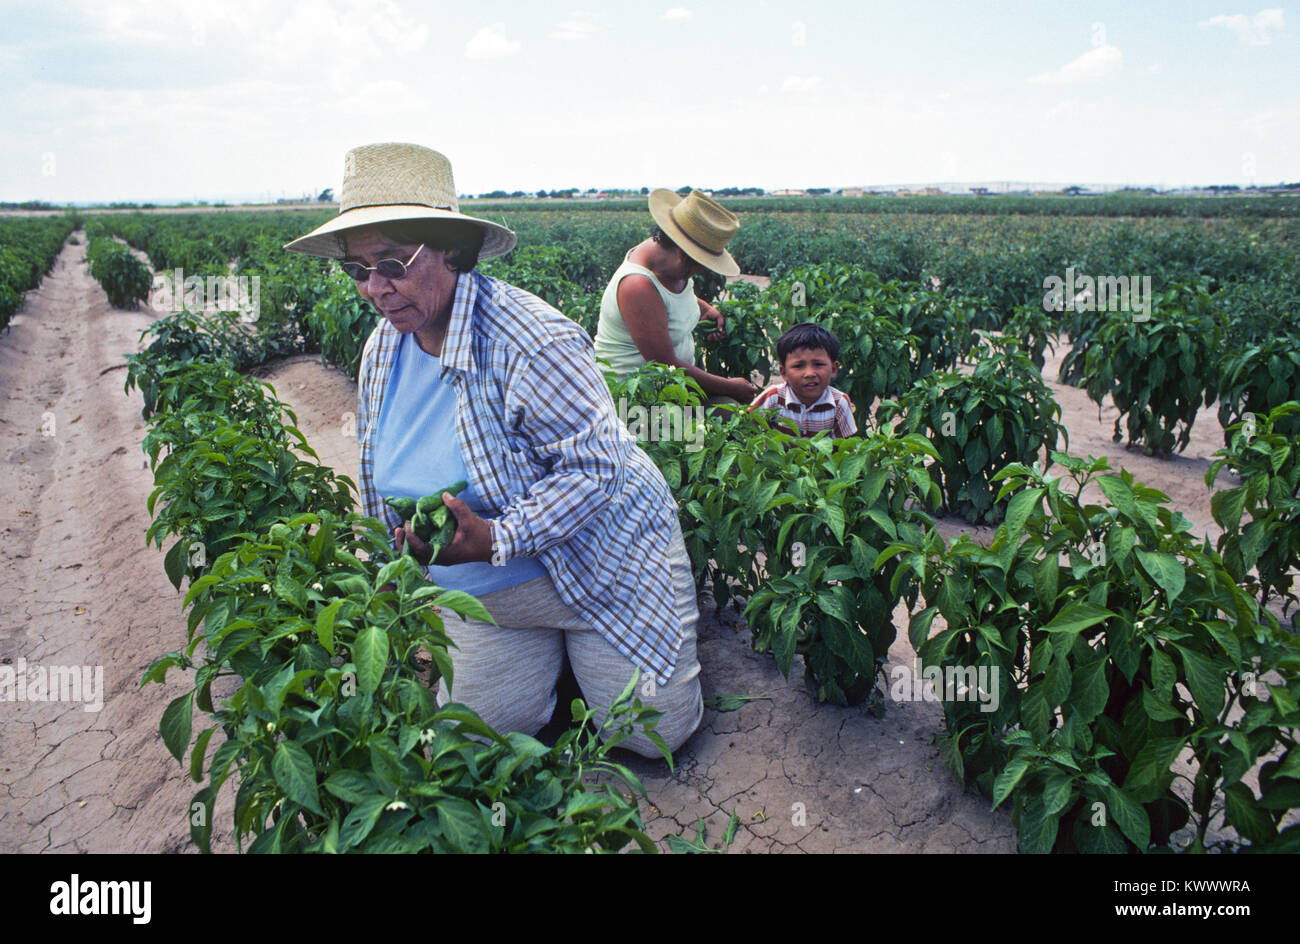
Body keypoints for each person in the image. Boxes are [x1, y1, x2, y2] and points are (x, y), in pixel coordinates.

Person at [284, 143, 702, 758]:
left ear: (451, 251)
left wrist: (495, 539)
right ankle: (556, 668)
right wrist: (393, 560)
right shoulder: (383, 348)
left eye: (392, 263)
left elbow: (596, 470)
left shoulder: (530, 339)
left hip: (600, 563)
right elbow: (375, 475)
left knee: (652, 736)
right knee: (470, 744)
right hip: (486, 596)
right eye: (358, 269)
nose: (375, 288)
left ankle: (604, 643)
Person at [593, 189, 759, 402]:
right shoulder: (637, 285)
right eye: (699, 266)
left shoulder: (664, 258)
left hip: (670, 388)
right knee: (732, 412)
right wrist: (729, 387)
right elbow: (664, 363)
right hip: (635, 399)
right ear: (683, 255)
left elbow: (668, 298)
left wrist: (704, 309)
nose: (700, 272)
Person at [750, 322, 857, 438]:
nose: (809, 374)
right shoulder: (773, 398)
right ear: (784, 373)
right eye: (798, 366)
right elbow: (747, 426)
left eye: (818, 364)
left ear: (834, 369)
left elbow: (844, 448)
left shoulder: (839, 403)